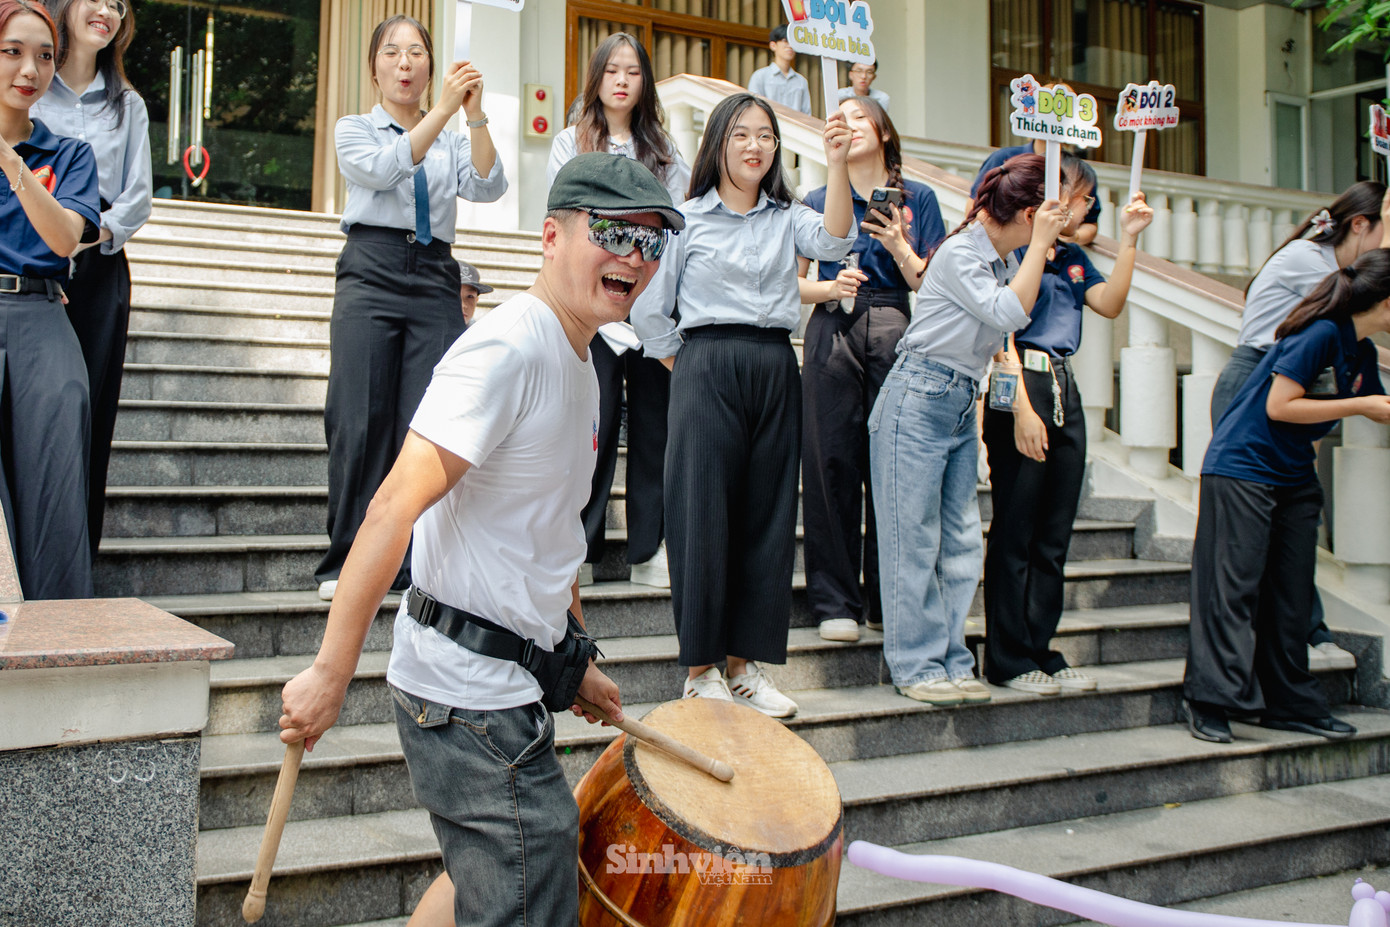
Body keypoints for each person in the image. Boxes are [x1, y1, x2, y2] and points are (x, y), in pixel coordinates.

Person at [279, 152, 683, 927]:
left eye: (652, 242)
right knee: (532, 872)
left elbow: (552, 533)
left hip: (509, 679)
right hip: (466, 694)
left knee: (498, 868)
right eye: (613, 231)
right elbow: (392, 505)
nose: (634, 256)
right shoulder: (506, 349)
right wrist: (331, 674)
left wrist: (576, 653)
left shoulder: (583, 363)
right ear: (551, 237)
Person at [631, 92, 855, 717]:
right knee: (701, 515)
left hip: (775, 365)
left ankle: (746, 669)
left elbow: (835, 243)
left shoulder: (789, 218)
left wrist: (836, 166)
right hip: (705, 363)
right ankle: (701, 669)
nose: (754, 146)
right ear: (718, 144)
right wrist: (686, 362)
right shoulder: (686, 218)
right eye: (741, 135)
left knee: (768, 518)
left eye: (765, 136)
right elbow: (651, 308)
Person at [315, 14, 505, 602]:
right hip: (370, 269)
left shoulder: (452, 129)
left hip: (434, 274)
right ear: (373, 67)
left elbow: (489, 185)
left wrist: (473, 113)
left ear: (430, 65)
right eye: (392, 52)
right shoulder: (354, 128)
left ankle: (413, 559)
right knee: (358, 416)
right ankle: (346, 560)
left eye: (417, 52)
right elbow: (382, 167)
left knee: (427, 422)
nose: (405, 62)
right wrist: (444, 113)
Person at [870, 154, 1066, 706]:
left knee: (959, 543)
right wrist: (1040, 245)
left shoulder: (1000, 259)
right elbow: (1007, 313)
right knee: (914, 539)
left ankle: (952, 657)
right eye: (1048, 214)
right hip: (917, 397)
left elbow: (1005, 318)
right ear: (1028, 213)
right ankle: (915, 664)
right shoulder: (961, 253)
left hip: (957, 400)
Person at [1182, 248, 1390, 744]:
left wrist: (1361, 403)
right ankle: (1209, 700)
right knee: (1232, 589)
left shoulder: (1359, 351)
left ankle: (1288, 702)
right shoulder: (1320, 334)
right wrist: (1360, 405)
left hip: (1293, 475)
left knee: (1291, 594)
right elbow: (1279, 406)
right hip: (1243, 468)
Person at [982, 156, 1153, 694]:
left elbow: (1110, 302)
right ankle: (1007, 658)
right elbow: (999, 330)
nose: (1086, 207)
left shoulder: (1074, 258)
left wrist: (1128, 240)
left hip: (1062, 384)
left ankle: (1040, 647)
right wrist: (1022, 412)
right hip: (1020, 383)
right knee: (1016, 527)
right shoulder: (1012, 252)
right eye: (1082, 196)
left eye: (1087, 200)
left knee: (1054, 532)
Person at [1209, 182, 1390, 664]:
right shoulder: (1309, 261)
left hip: (1296, 383)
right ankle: (1255, 652)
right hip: (1256, 382)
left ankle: (1300, 635)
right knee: (1249, 536)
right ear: (1360, 225)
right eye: (1384, 228)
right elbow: (1365, 292)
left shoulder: (1332, 280)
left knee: (1293, 522)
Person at [797, 95, 943, 643]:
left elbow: (930, 282)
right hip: (832, 322)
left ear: (884, 131)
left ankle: (889, 597)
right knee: (829, 460)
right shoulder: (815, 198)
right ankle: (836, 601)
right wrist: (831, 287)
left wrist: (900, 245)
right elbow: (792, 283)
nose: (850, 125)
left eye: (862, 117)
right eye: (842, 118)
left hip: (894, 325)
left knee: (894, 465)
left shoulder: (918, 199)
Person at [546, 32, 690, 589]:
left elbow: (677, 232)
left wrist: (657, 311)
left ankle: (649, 549)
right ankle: (580, 545)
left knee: (656, 429)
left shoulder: (666, 151)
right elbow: (565, 215)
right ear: (597, 78)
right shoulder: (571, 141)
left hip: (650, 304)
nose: (623, 81)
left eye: (633, 71)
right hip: (591, 308)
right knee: (591, 427)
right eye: (612, 71)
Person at [33, 0, 151, 559]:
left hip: (100, 267)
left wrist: (89, 232)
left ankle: (77, 556)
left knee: (90, 413)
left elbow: (138, 196)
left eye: (117, 4)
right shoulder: (30, 81)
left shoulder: (129, 106)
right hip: (31, 265)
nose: (104, 10)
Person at [0, 0, 100, 598]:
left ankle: (59, 632)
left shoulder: (69, 155)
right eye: (12, 52)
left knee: (55, 485)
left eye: (44, 56)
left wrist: (12, 165)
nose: (28, 70)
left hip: (40, 312)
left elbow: (66, 238)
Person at [747, 24, 811, 116]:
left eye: (793, 42)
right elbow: (753, 109)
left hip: (795, 129)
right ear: (773, 45)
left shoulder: (801, 81)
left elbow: (806, 115)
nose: (790, 46)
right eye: (785, 41)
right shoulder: (760, 76)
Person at [456, 259, 490, 326]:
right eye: (455, 296)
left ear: (476, 300)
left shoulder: (482, 334)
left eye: (470, 296)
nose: (463, 306)